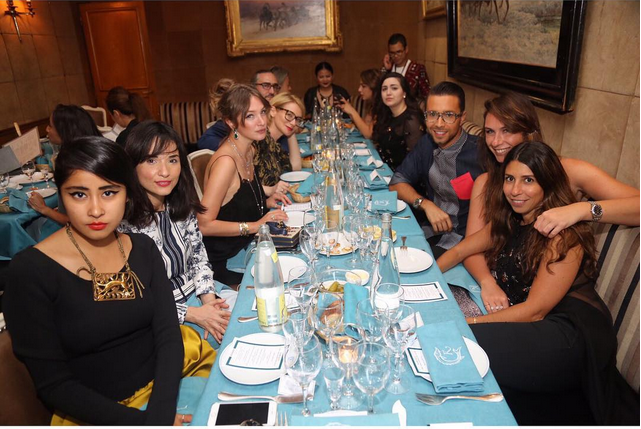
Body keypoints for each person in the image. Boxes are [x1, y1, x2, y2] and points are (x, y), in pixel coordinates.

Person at [3, 137, 214, 425]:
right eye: (79, 194)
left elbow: (168, 336)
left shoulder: (143, 248)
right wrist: (146, 423)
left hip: (167, 388)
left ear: (127, 193)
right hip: (97, 412)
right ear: (61, 195)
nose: (95, 210)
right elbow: (54, 384)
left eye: (109, 192)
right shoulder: (30, 271)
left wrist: (160, 414)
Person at [437, 141, 639, 425]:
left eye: (528, 180)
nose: (515, 190)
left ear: (548, 183)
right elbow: (460, 251)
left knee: (458, 344)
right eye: (510, 179)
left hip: (570, 333)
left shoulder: (563, 234)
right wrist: (420, 278)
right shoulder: (511, 221)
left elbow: (535, 311)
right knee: (450, 339)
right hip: (536, 323)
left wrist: (465, 324)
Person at [465, 92, 640, 314]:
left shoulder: (569, 170)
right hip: (505, 291)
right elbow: (471, 247)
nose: (496, 142)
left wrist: (581, 209)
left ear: (529, 133)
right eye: (490, 132)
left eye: (506, 130)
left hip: (558, 304)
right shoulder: (485, 182)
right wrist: (487, 283)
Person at [121, 120, 237, 347]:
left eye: (172, 160)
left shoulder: (178, 206)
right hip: (165, 316)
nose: (165, 171)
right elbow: (136, 300)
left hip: (199, 294)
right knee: (233, 342)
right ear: (133, 166)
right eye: (152, 160)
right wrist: (194, 314)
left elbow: (199, 258)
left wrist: (209, 302)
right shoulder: (123, 225)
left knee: (252, 315)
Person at [197, 84, 289, 286]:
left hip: (250, 247)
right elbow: (204, 224)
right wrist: (256, 225)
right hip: (227, 263)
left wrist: (266, 201)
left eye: (262, 112)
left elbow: (235, 204)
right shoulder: (226, 163)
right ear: (230, 122)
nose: (261, 121)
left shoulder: (249, 149)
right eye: (250, 116)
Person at [389, 81, 481, 257]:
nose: (438, 124)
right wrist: (425, 204)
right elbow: (396, 183)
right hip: (431, 232)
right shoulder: (427, 143)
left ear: (462, 118)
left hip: (465, 245)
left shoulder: (481, 153)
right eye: (432, 114)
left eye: (448, 115)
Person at [28, 104, 102, 225]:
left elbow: (79, 222)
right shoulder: (96, 152)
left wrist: (43, 209)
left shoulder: (75, 165)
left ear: (65, 131)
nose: (47, 129)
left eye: (50, 126)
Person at [371, 72, 425, 170]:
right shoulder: (387, 115)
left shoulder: (411, 120)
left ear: (404, 93)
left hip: (402, 176)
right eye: (384, 89)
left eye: (394, 88)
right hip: (384, 171)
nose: (388, 93)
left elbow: (416, 163)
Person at [254, 92, 305, 188]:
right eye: (289, 115)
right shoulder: (259, 139)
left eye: (297, 120)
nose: (294, 123)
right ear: (273, 111)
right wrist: (270, 190)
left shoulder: (274, 144)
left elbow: (295, 167)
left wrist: (291, 131)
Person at [381, 33, 430, 105]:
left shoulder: (417, 69)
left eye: (399, 52)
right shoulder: (388, 69)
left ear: (406, 49)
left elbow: (427, 94)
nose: (396, 56)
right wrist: (385, 69)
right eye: (392, 53)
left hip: (410, 109)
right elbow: (379, 91)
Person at [336, 68, 380, 139]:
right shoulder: (373, 105)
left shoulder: (382, 107)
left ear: (374, 87)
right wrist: (349, 111)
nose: (359, 89)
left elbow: (368, 134)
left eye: (363, 86)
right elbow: (365, 125)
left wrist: (352, 111)